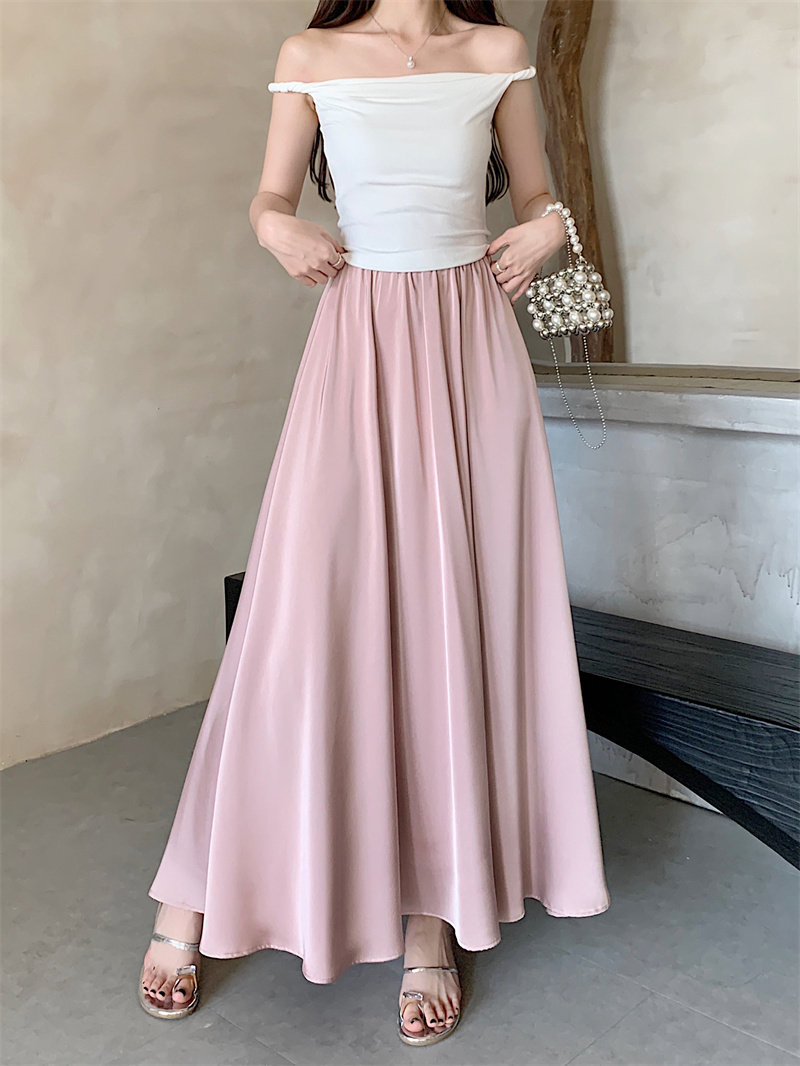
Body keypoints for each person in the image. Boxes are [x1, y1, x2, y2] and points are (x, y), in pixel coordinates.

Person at [138, 0, 611, 1047]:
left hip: (471, 343)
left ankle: (430, 918)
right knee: (298, 615)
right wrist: (276, 226)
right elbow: (270, 196)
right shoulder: (310, 54)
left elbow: (535, 194)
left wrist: (548, 225)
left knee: (456, 611)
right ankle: (192, 891)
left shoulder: (494, 51)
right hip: (359, 336)